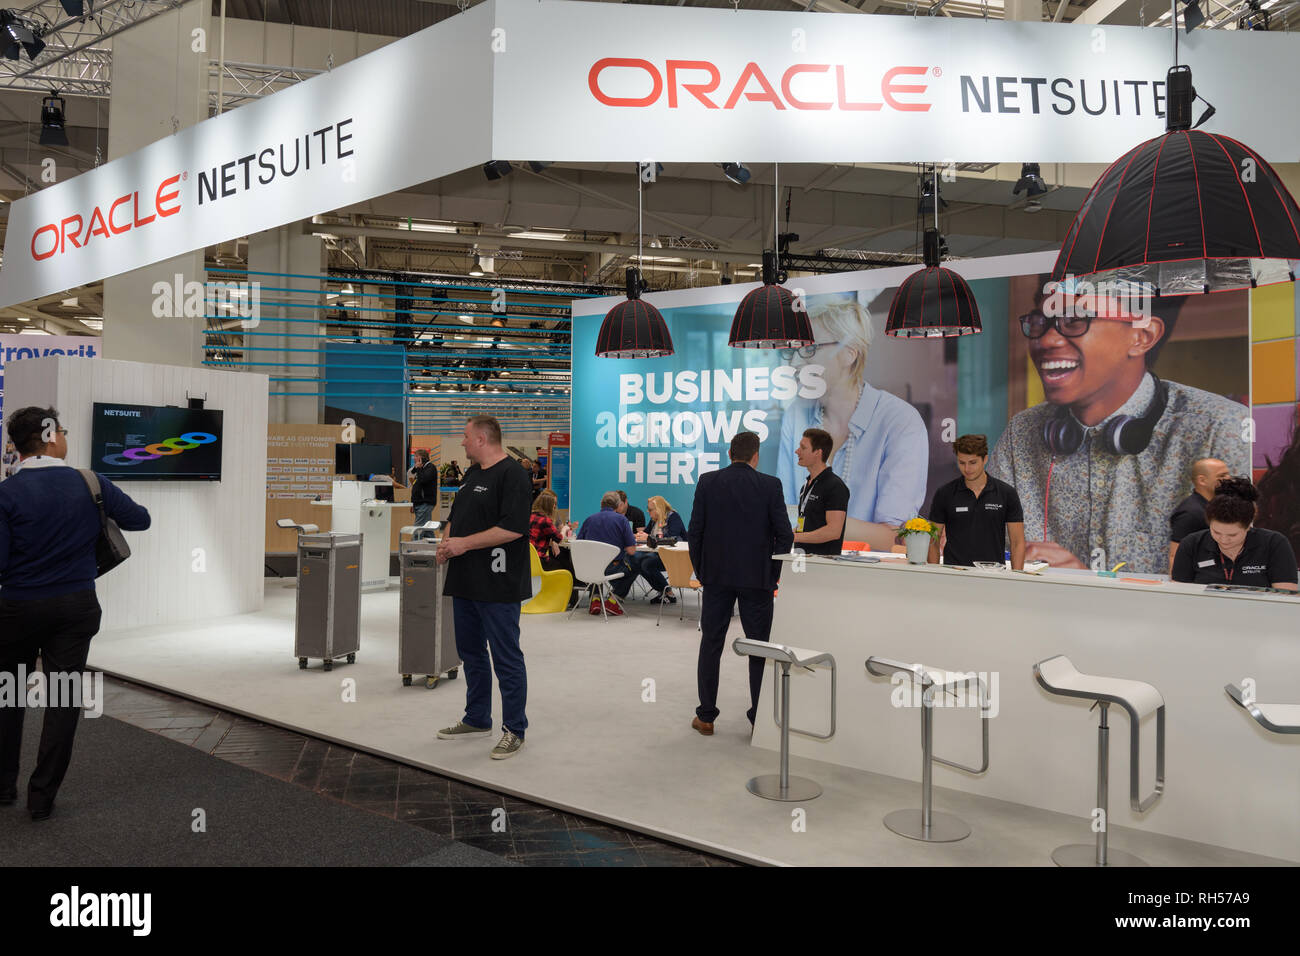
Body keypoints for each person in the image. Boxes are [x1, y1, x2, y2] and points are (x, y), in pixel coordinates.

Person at [988, 289, 1248, 576]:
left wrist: (1084, 581)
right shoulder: (1022, 432)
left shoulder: (1221, 428)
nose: (1046, 340)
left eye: (1075, 321)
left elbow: (1242, 575)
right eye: (1039, 323)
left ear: (1142, 336)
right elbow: (985, 542)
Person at [0, 405, 151, 820]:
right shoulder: (89, 482)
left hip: (17, 609)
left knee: (8, 694)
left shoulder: (6, 494)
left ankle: (3, 786)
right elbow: (140, 520)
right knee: (63, 699)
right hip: (75, 607)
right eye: (62, 430)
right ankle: (41, 798)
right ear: (50, 436)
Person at [778, 298, 928, 552]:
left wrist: (813, 523)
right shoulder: (796, 414)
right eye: (795, 350)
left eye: (809, 349)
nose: (795, 364)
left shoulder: (901, 422)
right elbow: (784, 515)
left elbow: (894, 539)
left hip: (872, 580)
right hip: (806, 571)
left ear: (849, 352)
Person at [435, 416, 533, 760]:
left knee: (506, 657)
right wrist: (446, 542)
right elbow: (455, 517)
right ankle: (477, 718)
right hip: (465, 581)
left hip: (499, 583)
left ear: (480, 438)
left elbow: (514, 529)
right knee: (471, 654)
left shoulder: (514, 476)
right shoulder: (472, 474)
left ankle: (514, 729)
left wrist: (463, 545)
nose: (461, 443)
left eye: (464, 437)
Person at [688, 431, 794, 735]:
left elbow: (696, 532)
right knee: (759, 647)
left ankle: (706, 716)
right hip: (757, 580)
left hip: (717, 578)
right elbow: (784, 535)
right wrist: (772, 575)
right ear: (755, 456)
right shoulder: (770, 485)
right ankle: (758, 717)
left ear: (730, 453)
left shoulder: (708, 482)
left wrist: (703, 571)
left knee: (711, 644)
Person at [1171, 476, 1298, 590]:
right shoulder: (1191, 544)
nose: (1223, 540)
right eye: (1216, 532)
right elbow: (1180, 594)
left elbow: (1285, 596)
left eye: (1232, 535)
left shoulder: (1274, 544)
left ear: (1248, 526)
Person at [927, 434, 1026, 568]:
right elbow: (933, 539)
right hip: (954, 574)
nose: (967, 469)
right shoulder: (944, 493)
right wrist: (934, 574)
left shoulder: (1006, 493)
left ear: (985, 459)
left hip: (992, 575)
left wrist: (1016, 579)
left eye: (973, 462)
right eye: (962, 463)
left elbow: (1017, 542)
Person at [790, 427, 850, 556]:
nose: (797, 451)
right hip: (801, 559)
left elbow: (834, 531)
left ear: (818, 453)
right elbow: (806, 525)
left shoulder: (835, 486)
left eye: (803, 448)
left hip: (822, 564)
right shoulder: (807, 485)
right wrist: (788, 534)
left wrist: (794, 537)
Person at [577, 491, 637, 615]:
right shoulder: (622, 520)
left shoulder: (589, 519)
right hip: (612, 568)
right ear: (618, 505)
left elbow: (579, 545)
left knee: (596, 563)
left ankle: (595, 599)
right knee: (636, 565)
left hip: (589, 568)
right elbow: (632, 550)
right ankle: (613, 601)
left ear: (601, 504)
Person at [1168, 458, 1230, 573]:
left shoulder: (1214, 506)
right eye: (1222, 476)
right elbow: (1175, 556)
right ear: (1202, 480)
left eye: (1228, 475)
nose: (1228, 479)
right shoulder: (1190, 513)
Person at [630, 495, 688, 604]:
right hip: (659, 554)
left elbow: (671, 539)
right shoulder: (654, 520)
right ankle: (663, 591)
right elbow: (647, 534)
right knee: (636, 560)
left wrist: (647, 537)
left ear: (659, 509)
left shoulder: (673, 517)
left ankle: (668, 592)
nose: (648, 511)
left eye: (650, 509)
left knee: (647, 563)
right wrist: (639, 535)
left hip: (675, 556)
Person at [407, 448, 439, 528]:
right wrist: (413, 503)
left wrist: (418, 468)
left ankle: (414, 541)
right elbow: (416, 486)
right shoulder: (421, 469)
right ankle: (432, 541)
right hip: (419, 503)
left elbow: (423, 480)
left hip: (425, 503)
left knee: (417, 529)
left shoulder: (430, 468)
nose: (414, 458)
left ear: (422, 458)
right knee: (426, 529)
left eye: (416, 456)